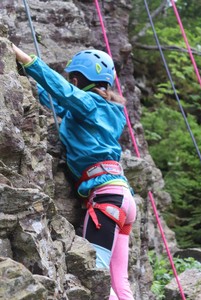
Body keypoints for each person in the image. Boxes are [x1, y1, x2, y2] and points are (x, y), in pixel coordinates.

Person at [12, 43, 136, 300]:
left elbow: (65, 93)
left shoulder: (89, 106)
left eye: (72, 80)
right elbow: (58, 100)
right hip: (124, 200)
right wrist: (26, 75)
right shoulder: (111, 111)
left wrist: (26, 60)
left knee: (99, 274)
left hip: (106, 199)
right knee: (120, 282)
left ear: (77, 79)